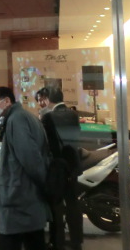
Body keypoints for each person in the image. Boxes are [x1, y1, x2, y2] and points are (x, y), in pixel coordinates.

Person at [0, 86, 49, 250]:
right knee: (33, 240)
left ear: (7, 101)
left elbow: (30, 158)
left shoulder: (17, 120)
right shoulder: (22, 116)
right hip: (27, 198)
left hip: (19, 197)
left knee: (10, 241)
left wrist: (42, 182)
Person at [40, 88, 82, 250]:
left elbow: (45, 141)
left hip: (57, 166)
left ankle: (57, 242)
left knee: (57, 205)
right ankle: (76, 241)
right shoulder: (73, 114)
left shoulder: (48, 117)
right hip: (73, 164)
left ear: (47, 99)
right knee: (73, 204)